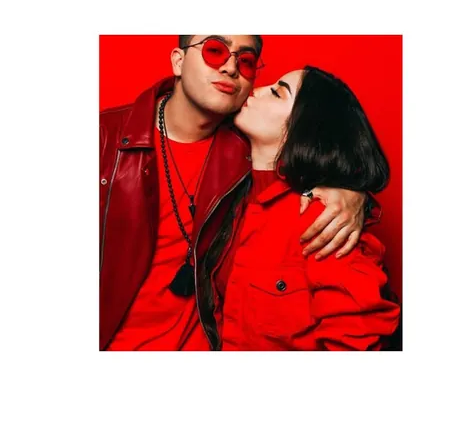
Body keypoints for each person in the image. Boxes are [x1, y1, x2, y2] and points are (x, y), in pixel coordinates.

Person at [99, 36, 378, 351]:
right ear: (178, 61)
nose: (231, 67)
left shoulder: (249, 151)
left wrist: (354, 196)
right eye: (214, 51)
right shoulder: (104, 140)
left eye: (245, 61)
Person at [210, 66, 400, 350]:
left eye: (277, 93)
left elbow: (357, 340)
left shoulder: (323, 220)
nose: (256, 90)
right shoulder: (231, 200)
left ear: (303, 129)